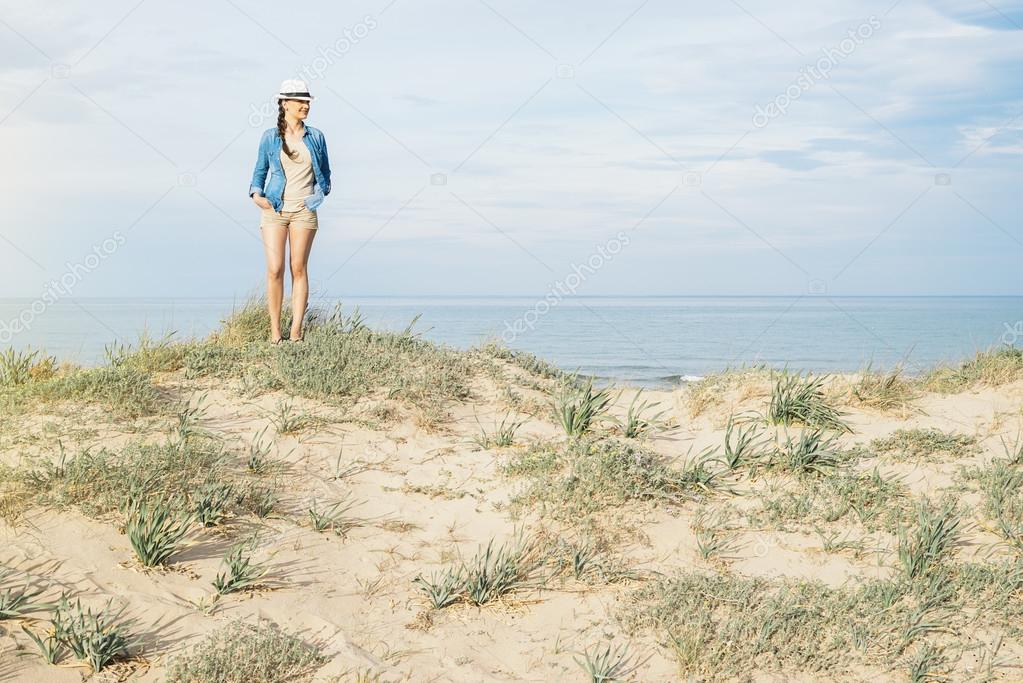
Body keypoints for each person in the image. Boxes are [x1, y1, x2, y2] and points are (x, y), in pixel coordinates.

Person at [248, 79, 332, 343]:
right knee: (274, 268)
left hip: (304, 210)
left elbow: (326, 175)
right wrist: (256, 195)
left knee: (298, 267)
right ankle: (275, 331)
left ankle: (296, 331)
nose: (305, 106)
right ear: (285, 103)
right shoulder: (270, 137)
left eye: (307, 102)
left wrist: (318, 195)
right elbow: (259, 172)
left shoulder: (316, 136)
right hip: (274, 208)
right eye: (300, 102)